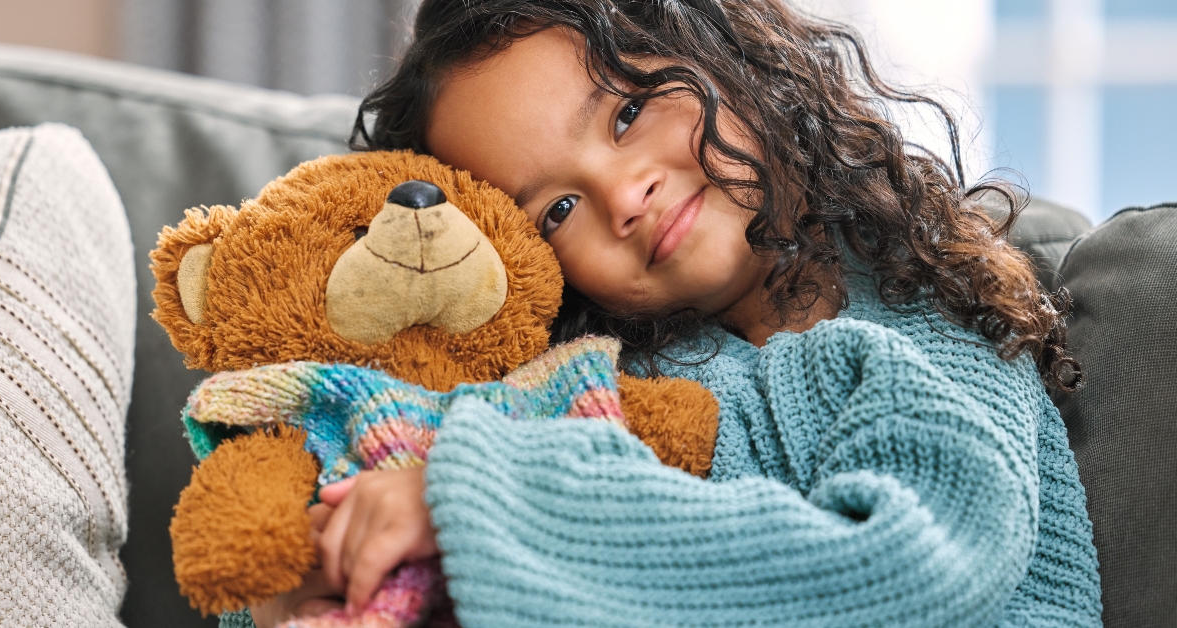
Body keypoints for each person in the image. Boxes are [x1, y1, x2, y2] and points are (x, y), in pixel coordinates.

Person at [248, 1, 1103, 626]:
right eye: (554, 210)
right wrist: (313, 578)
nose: (622, 196)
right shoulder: (602, 382)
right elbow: (379, 479)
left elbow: (916, 563)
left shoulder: (930, 312)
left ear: (726, 50)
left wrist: (474, 509)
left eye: (627, 112)